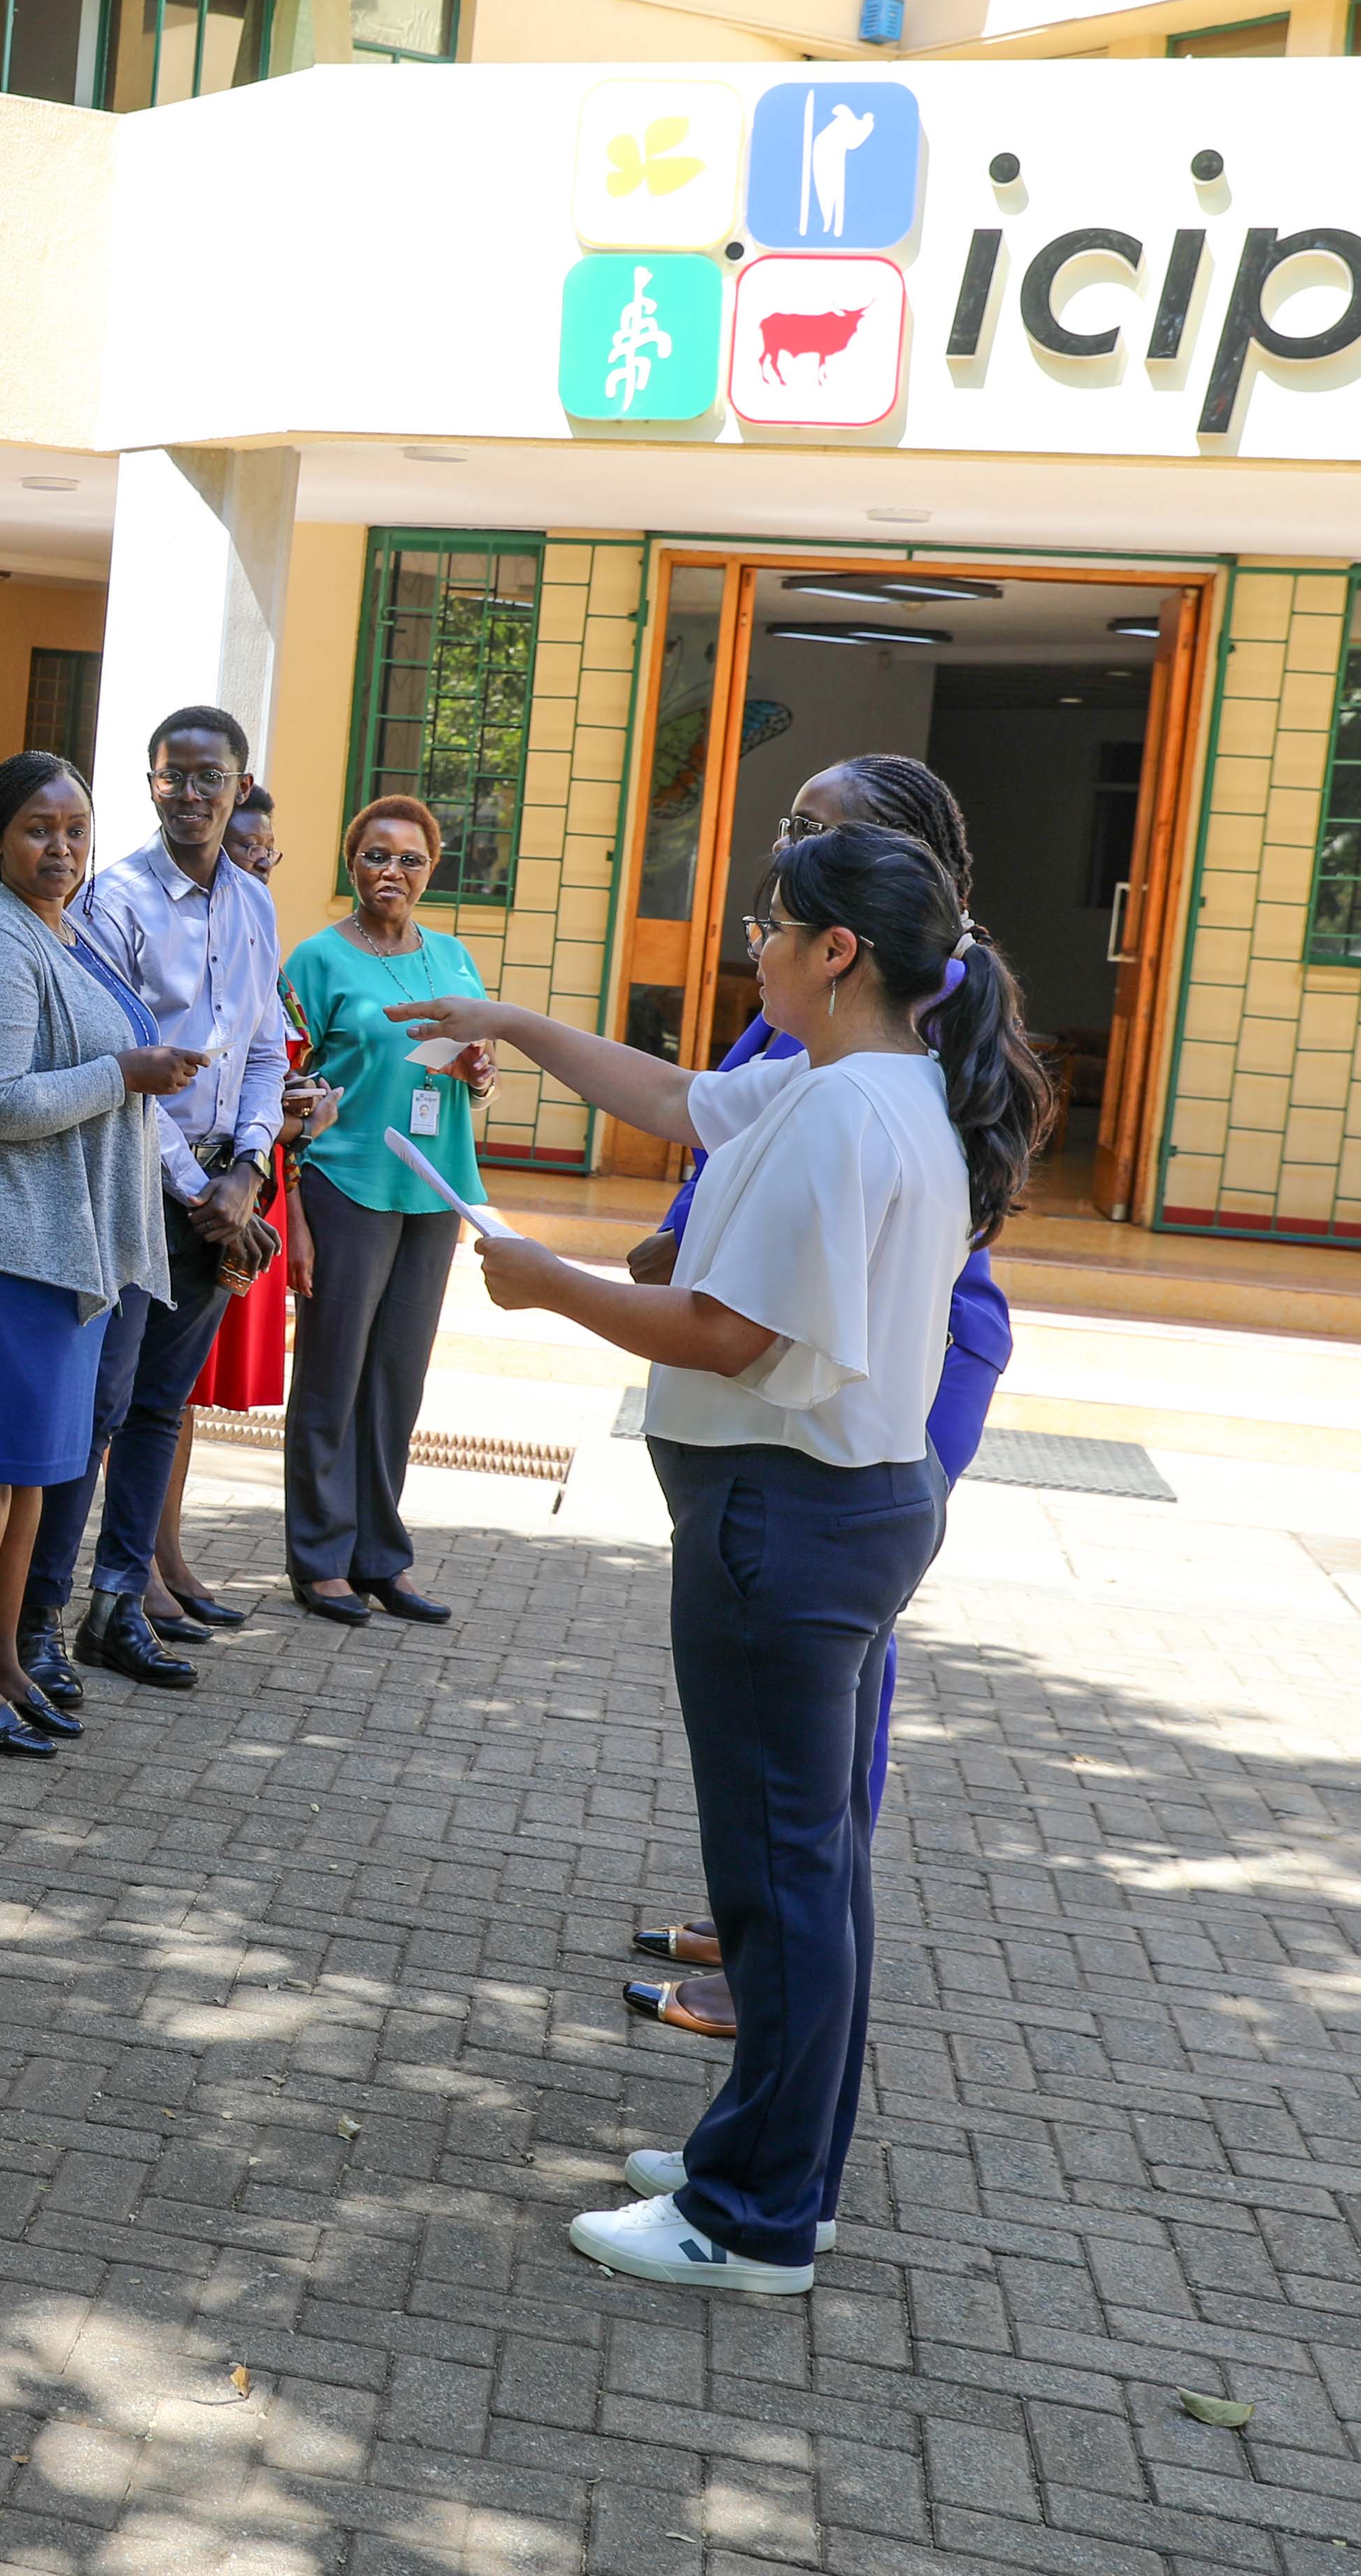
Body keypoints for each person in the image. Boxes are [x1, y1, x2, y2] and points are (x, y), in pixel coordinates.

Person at [390, 822, 1052, 2293]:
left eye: (773, 923)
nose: (752, 941)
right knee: (806, 1873)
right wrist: (507, 1022)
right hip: (829, 1510)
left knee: (780, 1879)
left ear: (840, 952)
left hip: (792, 1522)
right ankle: (773, 2169)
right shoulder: (873, 1089)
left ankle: (748, 2215)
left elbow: (731, 1333)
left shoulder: (846, 1112)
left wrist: (546, 1284)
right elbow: (687, 1101)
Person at [620, 753, 1015, 2040]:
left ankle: (780, 1958)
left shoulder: (886, 1045)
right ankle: (772, 1928)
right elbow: (718, 1116)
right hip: (834, 1362)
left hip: (892, 1366)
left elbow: (751, 1283)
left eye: (809, 834)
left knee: (827, 1686)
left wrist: (579, 1282)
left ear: (857, 921)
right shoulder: (841, 1025)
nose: (774, 858)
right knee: (793, 1717)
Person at [0, 753, 186, 1757]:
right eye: (39, 831)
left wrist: (139, 1073)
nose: (61, 848)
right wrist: (123, 1073)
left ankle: (7, 1662)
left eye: (76, 831)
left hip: (59, 1238)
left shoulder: (65, 930)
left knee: (28, 1470)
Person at [10, 707, 284, 1697]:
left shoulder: (254, 903)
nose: (195, 793)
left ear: (240, 787)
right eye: (176, 776)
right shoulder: (113, 899)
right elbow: (110, 1061)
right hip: (137, 1183)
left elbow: (262, 1049)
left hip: (224, 1188)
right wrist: (198, 1184)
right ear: (153, 783)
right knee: (100, 1406)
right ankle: (37, 1618)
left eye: (214, 777)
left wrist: (247, 1169)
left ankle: (117, 1607)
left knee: (163, 1407)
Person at [274, 794, 496, 1629]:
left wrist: (479, 1074)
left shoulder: (455, 957)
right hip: (346, 1182)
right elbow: (285, 1085)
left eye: (408, 858)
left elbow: (479, 1065)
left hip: (434, 1188)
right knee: (331, 1378)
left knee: (398, 1381)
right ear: (350, 861)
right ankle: (321, 1558)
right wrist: (292, 1209)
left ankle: (381, 1557)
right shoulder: (316, 961)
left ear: (430, 869)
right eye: (375, 855)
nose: (391, 871)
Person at [153, 785, 330, 1631]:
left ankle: (167, 1556)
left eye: (267, 849)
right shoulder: (147, 919)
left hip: (249, 1183)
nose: (256, 860)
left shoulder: (264, 940)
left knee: (182, 1392)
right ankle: (142, 1566)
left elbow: (264, 1058)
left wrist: (280, 1138)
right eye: (246, 845)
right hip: (188, 1187)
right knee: (157, 1394)